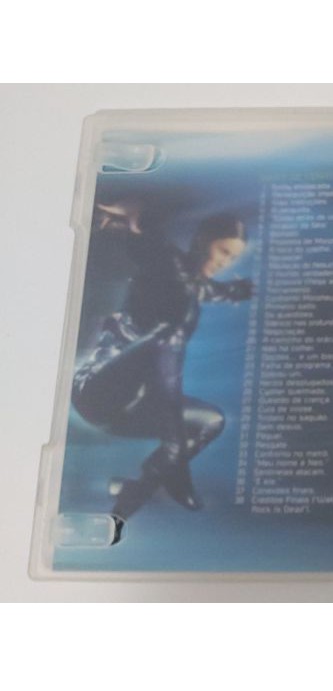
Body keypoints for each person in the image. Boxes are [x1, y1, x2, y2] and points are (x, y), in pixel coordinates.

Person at [72, 201, 253, 542]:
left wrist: (236, 290)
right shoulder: (166, 260)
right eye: (223, 251)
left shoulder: (193, 283)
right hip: (96, 389)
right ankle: (175, 460)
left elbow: (203, 288)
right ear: (203, 239)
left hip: (134, 407)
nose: (224, 262)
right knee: (165, 339)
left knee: (211, 421)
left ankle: (125, 508)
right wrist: (135, 223)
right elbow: (150, 245)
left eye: (232, 258)